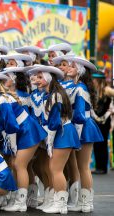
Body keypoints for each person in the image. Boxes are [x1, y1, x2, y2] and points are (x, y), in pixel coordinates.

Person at [0, 73, 47, 212]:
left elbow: (11, 125)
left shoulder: (2, 100)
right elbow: (0, 127)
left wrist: (12, 145)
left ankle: (21, 202)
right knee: (17, 164)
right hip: (21, 133)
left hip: (28, 131)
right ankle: (22, 199)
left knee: (19, 164)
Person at [28, 65, 81, 214]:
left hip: (63, 132)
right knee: (53, 169)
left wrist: (49, 140)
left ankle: (61, 204)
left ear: (49, 78)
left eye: (40, 77)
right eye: (36, 77)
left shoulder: (55, 95)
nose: (36, 80)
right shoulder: (49, 94)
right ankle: (57, 201)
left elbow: (55, 121)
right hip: (59, 132)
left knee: (56, 169)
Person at [65, 56, 103, 213]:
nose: (68, 68)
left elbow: (80, 114)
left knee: (83, 167)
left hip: (84, 128)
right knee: (82, 167)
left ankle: (86, 202)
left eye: (72, 66)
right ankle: (83, 201)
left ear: (80, 70)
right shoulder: (76, 86)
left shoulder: (80, 88)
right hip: (80, 128)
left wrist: (76, 134)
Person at [92, 71, 112, 174]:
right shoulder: (96, 91)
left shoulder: (106, 90)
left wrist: (111, 109)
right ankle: (98, 166)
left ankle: (103, 168)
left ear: (99, 80)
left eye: (94, 80)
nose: (93, 81)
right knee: (96, 144)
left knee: (102, 144)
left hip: (105, 121)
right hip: (97, 121)